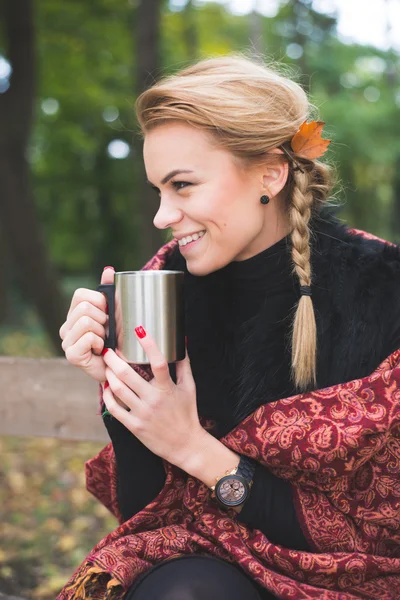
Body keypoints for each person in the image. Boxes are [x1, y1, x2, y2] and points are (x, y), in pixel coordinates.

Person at [58, 54, 400, 600]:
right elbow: (148, 521)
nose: (161, 215)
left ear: (270, 173)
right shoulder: (161, 288)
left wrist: (194, 447)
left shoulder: (383, 292)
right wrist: (122, 394)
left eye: (183, 185)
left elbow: (377, 541)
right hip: (203, 573)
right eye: (157, 190)